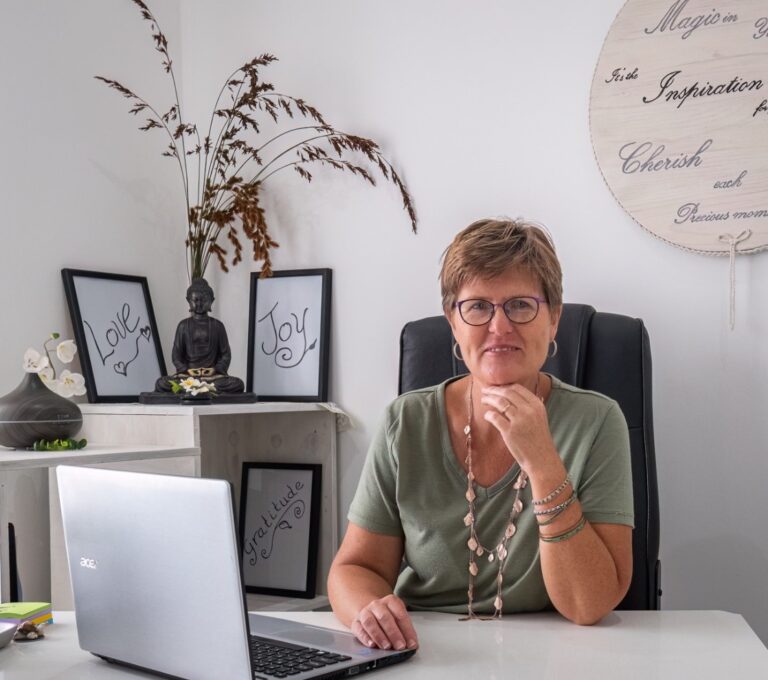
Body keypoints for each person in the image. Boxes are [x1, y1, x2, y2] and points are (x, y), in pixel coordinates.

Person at [328, 218, 634, 651]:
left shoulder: (599, 422)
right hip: (424, 651)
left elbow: (589, 605)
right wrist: (370, 610)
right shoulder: (406, 421)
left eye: (521, 306)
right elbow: (354, 569)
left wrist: (543, 462)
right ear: (453, 322)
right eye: (477, 307)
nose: (499, 327)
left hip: (556, 656)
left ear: (554, 319)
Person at [155, 278, 245, 393]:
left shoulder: (218, 326)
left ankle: (196, 390)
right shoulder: (183, 326)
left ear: (211, 301)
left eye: (204, 300)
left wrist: (217, 370)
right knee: (161, 383)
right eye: (195, 300)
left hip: (212, 378)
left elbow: (226, 354)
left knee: (237, 384)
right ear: (188, 301)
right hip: (188, 377)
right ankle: (202, 390)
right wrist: (186, 370)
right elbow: (176, 355)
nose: (199, 304)